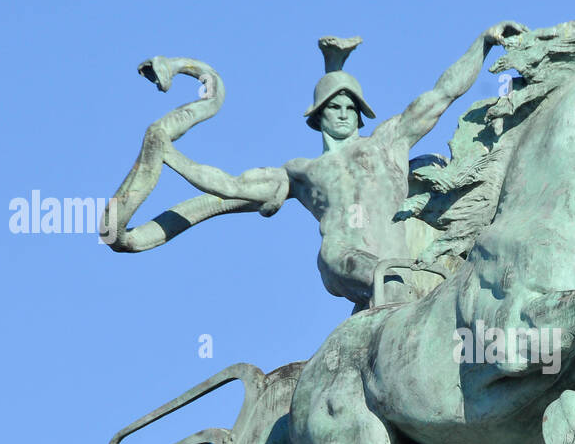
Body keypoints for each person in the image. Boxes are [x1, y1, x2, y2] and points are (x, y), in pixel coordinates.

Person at [124, 23, 526, 310]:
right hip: (345, 257)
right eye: (334, 107)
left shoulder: (387, 141)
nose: (344, 114)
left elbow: (442, 94)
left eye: (351, 108)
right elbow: (229, 187)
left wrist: (483, 43)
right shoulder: (302, 171)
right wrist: (169, 154)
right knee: (380, 277)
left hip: (401, 263)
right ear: (318, 116)